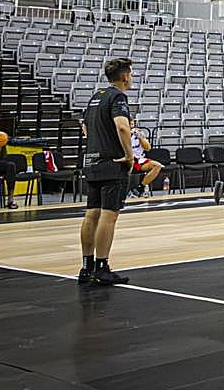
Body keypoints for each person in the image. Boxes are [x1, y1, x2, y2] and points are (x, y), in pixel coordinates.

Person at [78, 58, 136, 286]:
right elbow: (122, 126)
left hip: (91, 161)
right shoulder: (117, 97)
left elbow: (85, 128)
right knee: (108, 216)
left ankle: (86, 267)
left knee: (91, 214)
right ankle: (102, 267)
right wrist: (129, 155)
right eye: (130, 74)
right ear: (124, 76)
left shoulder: (96, 97)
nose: (131, 78)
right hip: (112, 163)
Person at [127, 119, 164, 198]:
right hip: (126, 160)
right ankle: (125, 190)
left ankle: (140, 188)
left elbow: (148, 148)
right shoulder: (120, 134)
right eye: (129, 124)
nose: (131, 126)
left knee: (157, 166)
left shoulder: (139, 133)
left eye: (132, 124)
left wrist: (140, 137)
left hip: (138, 160)